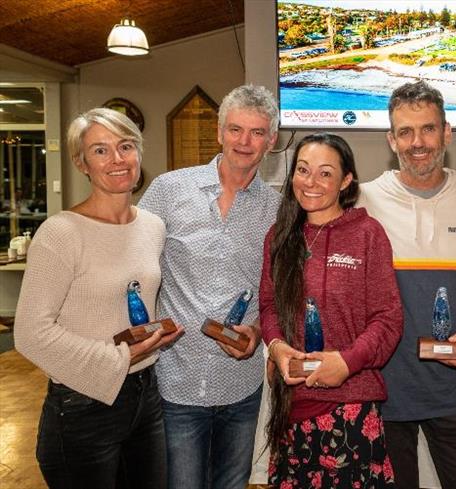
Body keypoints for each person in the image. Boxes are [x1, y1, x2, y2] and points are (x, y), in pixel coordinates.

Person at [14, 108, 183, 488]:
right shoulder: (60, 234)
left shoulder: (152, 227)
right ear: (81, 162)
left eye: (125, 146)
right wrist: (122, 356)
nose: (117, 159)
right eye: (100, 150)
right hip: (82, 406)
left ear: (139, 153)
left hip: (146, 395)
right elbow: (29, 333)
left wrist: (155, 336)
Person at [357, 81, 456, 489]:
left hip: (453, 391)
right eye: (405, 132)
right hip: (383, 392)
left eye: (427, 129)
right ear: (391, 139)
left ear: (447, 132)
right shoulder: (362, 201)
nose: (417, 142)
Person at [138, 85, 281, 489]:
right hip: (175, 380)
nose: (244, 141)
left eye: (256, 133)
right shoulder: (169, 190)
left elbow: (274, 293)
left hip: (240, 385)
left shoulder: (277, 209)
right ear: (219, 132)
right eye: (236, 129)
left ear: (270, 141)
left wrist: (256, 332)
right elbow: (135, 263)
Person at [260, 132, 403, 488]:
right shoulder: (279, 236)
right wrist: (277, 348)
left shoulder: (368, 234)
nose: (311, 182)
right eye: (303, 170)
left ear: (346, 180)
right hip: (291, 410)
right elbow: (268, 306)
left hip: (350, 411)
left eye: (325, 173)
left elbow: (388, 319)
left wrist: (346, 362)